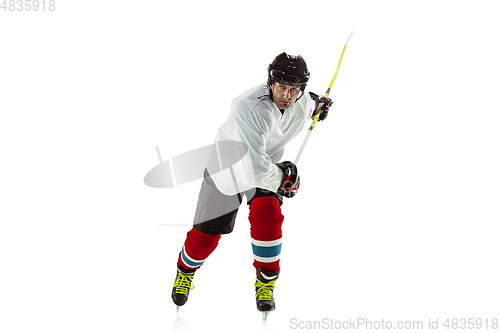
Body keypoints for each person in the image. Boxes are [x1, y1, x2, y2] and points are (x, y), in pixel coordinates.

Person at [171, 52, 332, 315]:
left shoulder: (301, 100)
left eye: (295, 89)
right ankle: (186, 271)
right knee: (205, 237)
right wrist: (285, 178)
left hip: (266, 165)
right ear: (270, 83)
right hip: (228, 169)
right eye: (282, 87)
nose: (288, 96)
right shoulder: (248, 107)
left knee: (267, 218)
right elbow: (254, 169)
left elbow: (309, 102)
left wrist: (318, 106)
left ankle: (265, 283)